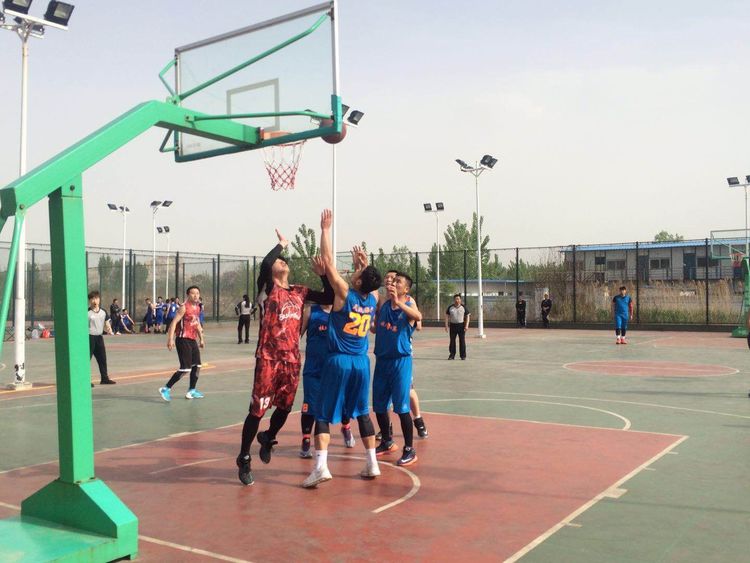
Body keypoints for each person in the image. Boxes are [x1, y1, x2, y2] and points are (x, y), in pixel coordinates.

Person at [236, 211, 334, 486]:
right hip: (268, 358)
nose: (281, 262)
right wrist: (282, 244)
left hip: (291, 359)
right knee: (258, 409)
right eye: (280, 261)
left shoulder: (299, 291)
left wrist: (324, 276)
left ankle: (268, 437)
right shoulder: (267, 290)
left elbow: (328, 295)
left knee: (284, 407)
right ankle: (244, 457)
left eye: (284, 261)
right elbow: (266, 263)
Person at [302, 241, 382, 489]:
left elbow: (327, 262)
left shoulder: (345, 294)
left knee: (322, 413)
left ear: (358, 282)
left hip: (338, 360)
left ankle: (320, 467)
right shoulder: (373, 298)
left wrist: (325, 230)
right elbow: (371, 285)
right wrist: (363, 267)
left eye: (357, 275)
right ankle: (372, 463)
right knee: (363, 413)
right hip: (362, 362)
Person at [372, 271, 422, 466]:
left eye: (398, 281)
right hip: (382, 361)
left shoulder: (408, 306)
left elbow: (418, 316)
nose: (393, 283)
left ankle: (409, 449)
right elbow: (373, 293)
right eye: (392, 280)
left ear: (406, 289)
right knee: (379, 406)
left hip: (400, 363)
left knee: (402, 408)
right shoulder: (384, 305)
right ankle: (387, 441)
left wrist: (398, 303)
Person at [298, 302, 358, 458]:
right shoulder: (310, 311)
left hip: (336, 368)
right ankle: (306, 439)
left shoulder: (343, 312)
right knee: (309, 405)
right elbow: (297, 335)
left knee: (342, 401)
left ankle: (346, 427)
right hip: (313, 369)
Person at [378, 270, 428, 440]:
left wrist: (400, 305)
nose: (390, 281)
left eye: (395, 279)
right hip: (384, 357)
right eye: (388, 278)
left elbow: (418, 320)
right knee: (381, 399)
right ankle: (387, 433)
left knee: (407, 392)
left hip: (401, 356)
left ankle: (418, 421)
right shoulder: (383, 302)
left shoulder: (408, 301)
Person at [159, 286, 205, 401]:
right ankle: (165, 388)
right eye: (193, 293)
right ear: (188, 295)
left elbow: (197, 323)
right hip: (182, 339)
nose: (196, 295)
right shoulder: (184, 307)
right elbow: (174, 323)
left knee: (197, 366)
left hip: (192, 339)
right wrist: (170, 339)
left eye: (197, 293)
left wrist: (201, 338)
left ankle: (191, 391)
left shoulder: (197, 307)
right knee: (185, 369)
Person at [88, 291, 116, 386]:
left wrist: (109, 328)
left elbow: (106, 322)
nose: (94, 301)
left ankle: (104, 378)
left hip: (99, 338)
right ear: (89, 301)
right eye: (92, 299)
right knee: (87, 359)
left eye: (96, 298)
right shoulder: (87, 312)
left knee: (102, 358)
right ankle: (86, 380)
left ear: (99, 299)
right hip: (89, 337)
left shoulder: (103, 312)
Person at [445, 294, 470, 360]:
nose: (457, 300)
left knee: (462, 341)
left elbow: (467, 316)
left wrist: (466, 325)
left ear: (460, 300)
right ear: (454, 300)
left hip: (461, 326)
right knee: (452, 341)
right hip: (453, 326)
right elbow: (447, 317)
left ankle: (463, 356)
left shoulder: (463, 307)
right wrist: (446, 326)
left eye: (458, 299)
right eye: (456, 299)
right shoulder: (450, 307)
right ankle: (452, 355)